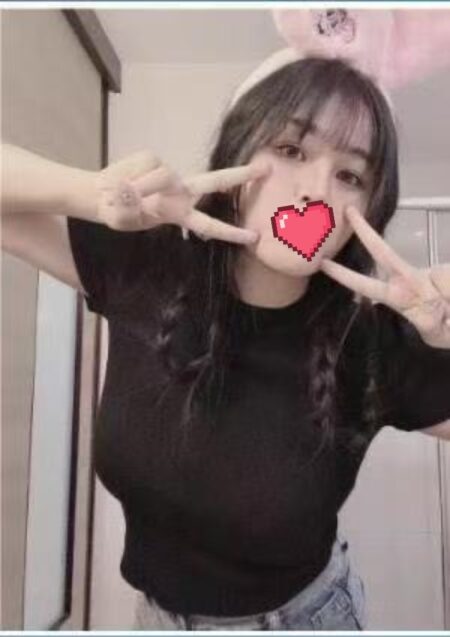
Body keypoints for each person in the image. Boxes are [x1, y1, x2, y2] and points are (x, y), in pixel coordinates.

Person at [3, 53, 450, 631]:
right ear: (238, 153)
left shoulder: (370, 347)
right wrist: (88, 192)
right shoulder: (147, 266)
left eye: (351, 177)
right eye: (291, 149)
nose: (315, 191)